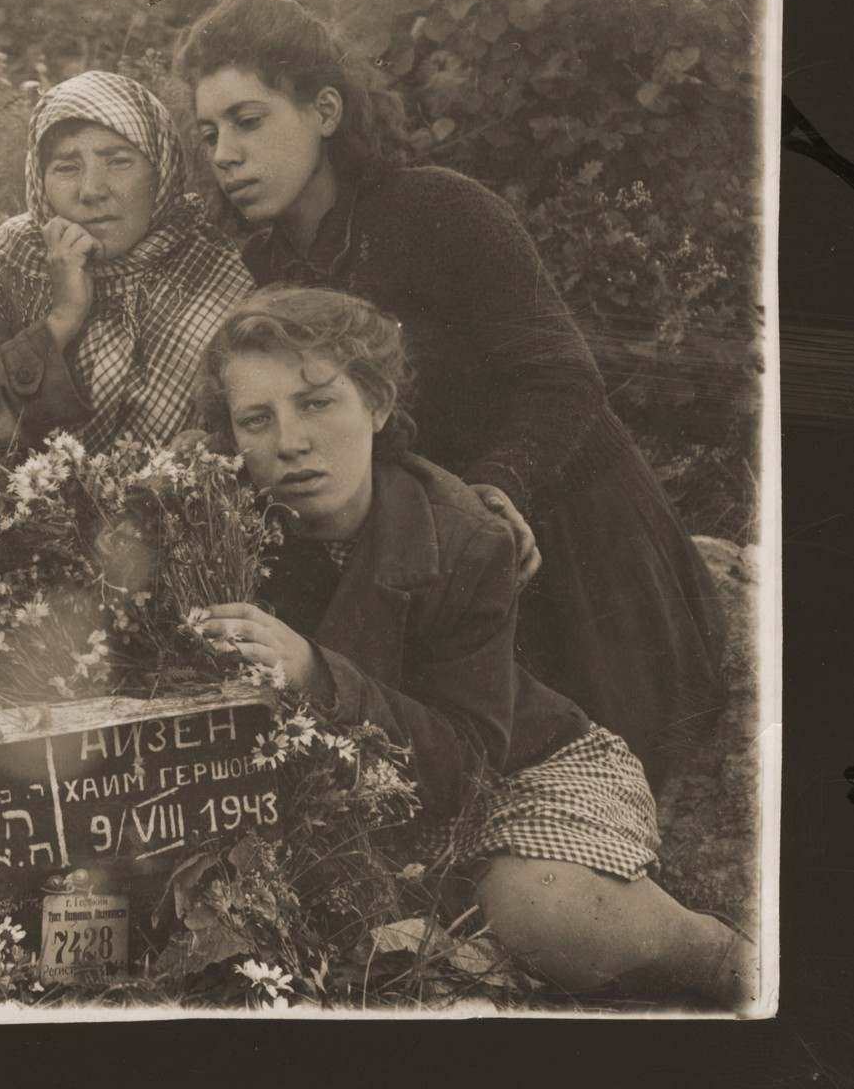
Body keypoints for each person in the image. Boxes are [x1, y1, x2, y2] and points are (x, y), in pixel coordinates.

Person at [176, 0, 727, 785]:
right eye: (208, 132)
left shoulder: (438, 207)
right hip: (451, 552)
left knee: (600, 772)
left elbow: (563, 376)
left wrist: (499, 488)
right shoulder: (273, 272)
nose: (224, 152)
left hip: (570, 529)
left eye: (248, 120)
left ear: (324, 110)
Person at [192, 286, 756, 1008]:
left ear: (377, 404)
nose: (290, 441)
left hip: (511, 771)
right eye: (255, 419)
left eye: (316, 403)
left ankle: (719, 959)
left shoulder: (461, 536)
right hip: (351, 800)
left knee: (547, 916)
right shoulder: (214, 528)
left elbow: (465, 762)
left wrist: (312, 672)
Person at [0, 70, 255, 456]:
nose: (91, 190)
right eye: (66, 167)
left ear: (160, 171)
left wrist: (215, 447)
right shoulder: (16, 255)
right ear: (39, 181)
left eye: (117, 162)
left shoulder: (216, 270)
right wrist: (60, 320)